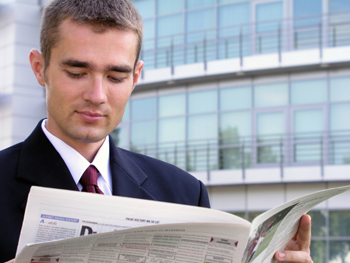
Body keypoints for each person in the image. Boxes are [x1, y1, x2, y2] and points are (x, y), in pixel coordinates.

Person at [0, 1, 312, 263]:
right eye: (77, 73)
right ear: (39, 68)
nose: (97, 95)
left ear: (136, 76)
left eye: (116, 76)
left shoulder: (185, 193)